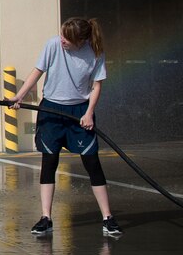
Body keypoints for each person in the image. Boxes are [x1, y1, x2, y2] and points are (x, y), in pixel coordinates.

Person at [9, 17, 121, 237]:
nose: (62, 41)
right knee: (49, 162)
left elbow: (97, 86)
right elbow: (37, 71)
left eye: (67, 39)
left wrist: (89, 113)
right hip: (51, 109)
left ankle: (108, 218)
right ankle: (45, 218)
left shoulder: (95, 52)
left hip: (79, 111)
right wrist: (19, 97)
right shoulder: (53, 44)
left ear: (81, 41)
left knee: (92, 163)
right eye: (61, 35)